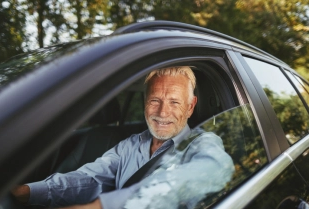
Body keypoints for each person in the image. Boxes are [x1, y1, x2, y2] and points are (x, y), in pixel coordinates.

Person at [12, 66, 234, 209]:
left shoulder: (202, 143)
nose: (162, 112)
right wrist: (29, 191)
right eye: (155, 100)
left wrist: (102, 206)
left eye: (174, 102)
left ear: (190, 106)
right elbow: (89, 179)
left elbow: (215, 169)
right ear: (145, 103)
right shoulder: (130, 145)